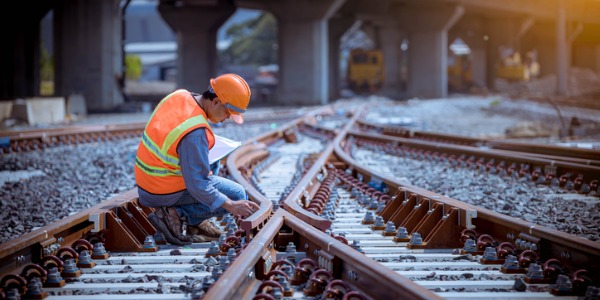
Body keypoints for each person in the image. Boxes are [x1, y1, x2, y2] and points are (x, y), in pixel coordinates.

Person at [134, 73, 261, 245]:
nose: (228, 117)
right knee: (237, 194)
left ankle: (193, 221)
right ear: (215, 101)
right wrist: (231, 205)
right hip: (161, 190)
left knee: (212, 158)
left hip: (147, 181)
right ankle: (176, 216)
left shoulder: (180, 95)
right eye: (228, 112)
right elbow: (197, 185)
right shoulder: (195, 133)